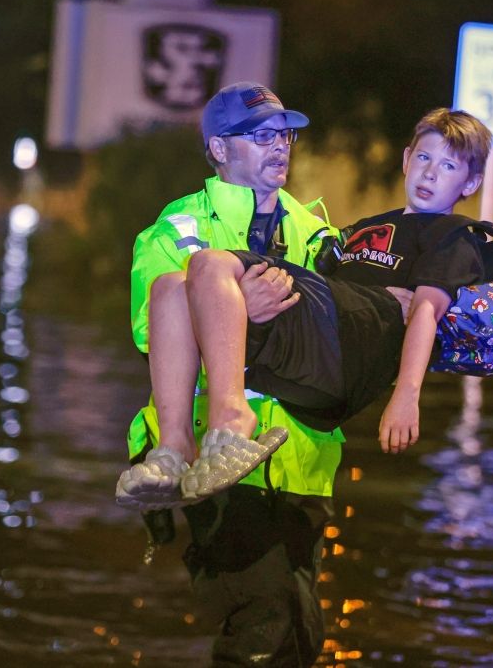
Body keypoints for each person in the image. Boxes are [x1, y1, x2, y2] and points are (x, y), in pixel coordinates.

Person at [124, 106, 493, 501]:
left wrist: (406, 396)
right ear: (406, 159)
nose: (431, 172)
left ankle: (230, 420)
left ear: (471, 183)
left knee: (211, 264)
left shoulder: (453, 236)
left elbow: (423, 313)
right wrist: (243, 307)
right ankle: (175, 449)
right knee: (169, 287)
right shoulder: (362, 230)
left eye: (449, 166)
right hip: (306, 353)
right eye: (424, 157)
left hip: (338, 362)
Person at [125, 81, 348, 667]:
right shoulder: (180, 228)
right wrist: (240, 309)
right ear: (219, 150)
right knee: (263, 620)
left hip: (302, 460)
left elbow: (337, 333)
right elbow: (153, 329)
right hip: (213, 460)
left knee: (300, 628)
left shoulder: (317, 233)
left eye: (284, 134)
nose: (279, 146)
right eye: (260, 136)